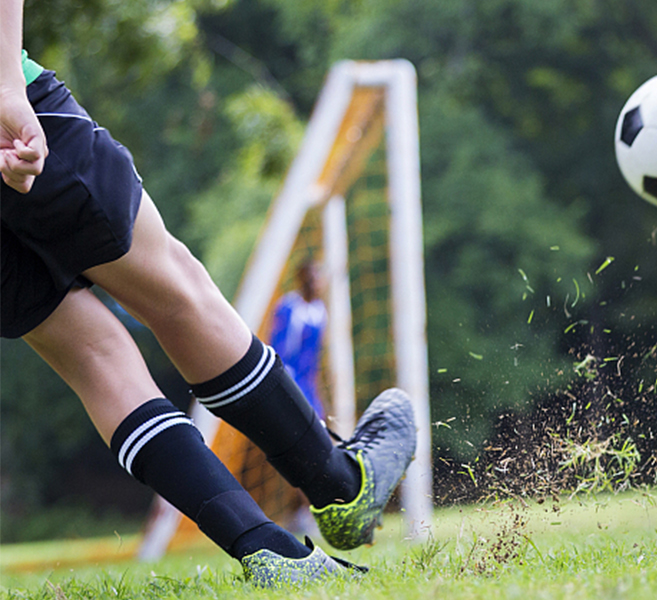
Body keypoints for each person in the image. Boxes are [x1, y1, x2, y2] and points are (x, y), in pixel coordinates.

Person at [1, 13, 414, 586]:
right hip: (11, 111)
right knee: (177, 290)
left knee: (93, 359)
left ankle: (268, 550)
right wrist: (5, 87)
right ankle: (341, 485)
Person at [271, 262, 328, 420]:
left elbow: (314, 354)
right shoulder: (288, 307)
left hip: (307, 380)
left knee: (317, 419)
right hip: (288, 375)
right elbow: (278, 344)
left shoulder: (319, 310)